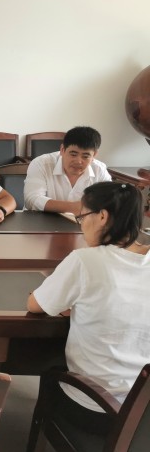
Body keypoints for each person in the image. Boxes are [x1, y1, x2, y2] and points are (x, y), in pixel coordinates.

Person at [28, 182, 150, 434]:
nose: (81, 225)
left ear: (102, 216)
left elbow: (36, 305)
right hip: (143, 413)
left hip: (98, 409)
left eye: (82, 217)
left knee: (49, 366)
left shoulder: (85, 260)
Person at [23, 126, 111, 214]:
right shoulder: (41, 164)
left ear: (94, 155)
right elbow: (32, 200)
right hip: (43, 219)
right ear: (62, 150)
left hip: (83, 220)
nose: (78, 161)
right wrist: (75, 207)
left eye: (85, 156)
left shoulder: (99, 170)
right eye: (73, 154)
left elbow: (109, 200)